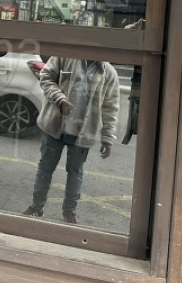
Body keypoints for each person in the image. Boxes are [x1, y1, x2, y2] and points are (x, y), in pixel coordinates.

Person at [22, 56, 120, 224]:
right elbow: (46, 77)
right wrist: (59, 98)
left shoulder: (108, 72)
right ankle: (36, 207)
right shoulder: (64, 56)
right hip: (54, 126)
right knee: (45, 168)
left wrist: (107, 137)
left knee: (75, 173)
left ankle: (69, 212)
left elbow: (111, 107)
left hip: (83, 132)